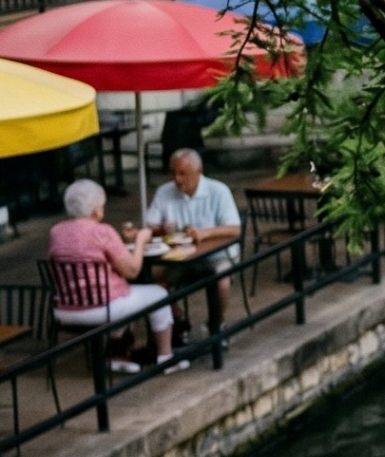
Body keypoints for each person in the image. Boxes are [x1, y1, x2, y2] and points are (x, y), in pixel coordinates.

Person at [48, 178, 181, 373]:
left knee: (125, 294)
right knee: (157, 294)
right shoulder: (102, 231)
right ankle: (166, 357)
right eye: (102, 205)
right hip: (102, 308)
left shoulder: (56, 231)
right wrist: (140, 242)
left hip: (65, 310)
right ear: (95, 210)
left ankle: (117, 356)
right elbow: (133, 270)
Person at [146, 148, 244, 304]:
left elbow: (235, 229)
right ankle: (178, 320)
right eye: (173, 173)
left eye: (183, 173)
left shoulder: (218, 190)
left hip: (217, 255)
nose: (177, 179)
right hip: (181, 257)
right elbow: (150, 225)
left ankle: (218, 324)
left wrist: (206, 233)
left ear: (199, 171)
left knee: (222, 281)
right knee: (154, 280)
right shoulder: (164, 191)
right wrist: (159, 230)